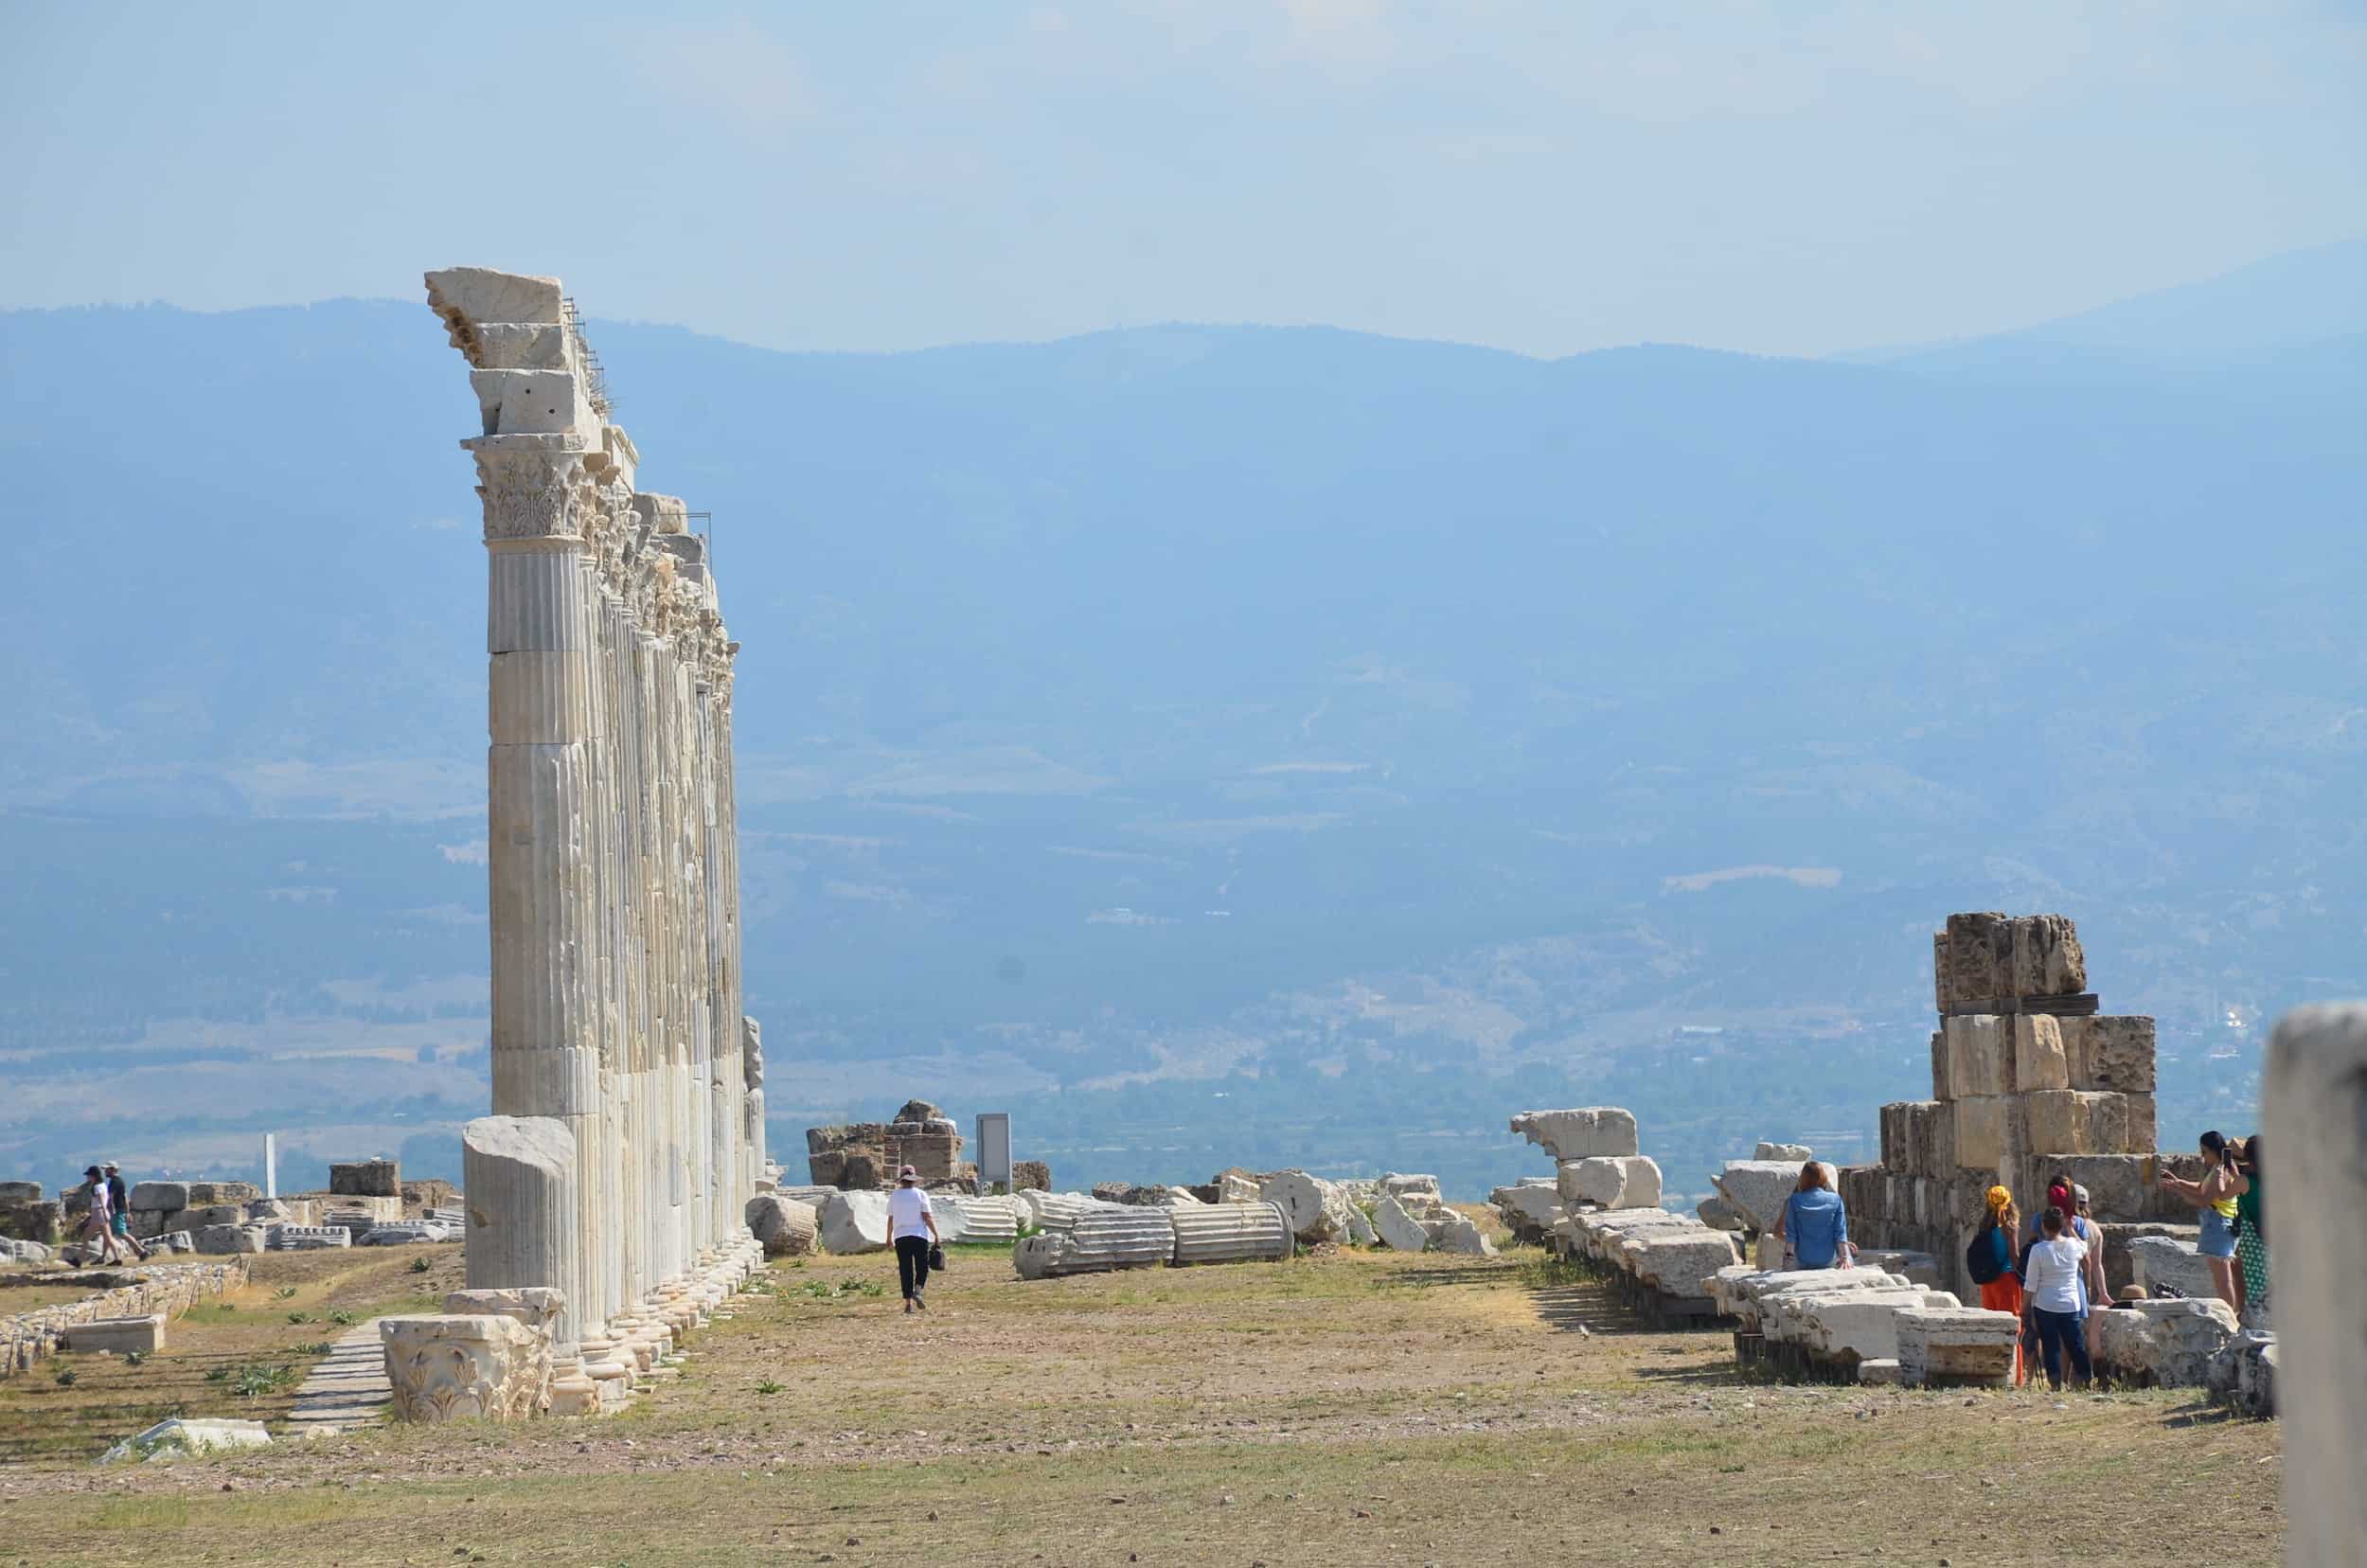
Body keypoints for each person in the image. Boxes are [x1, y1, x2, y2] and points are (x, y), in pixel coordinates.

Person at [2158, 1131, 2249, 1311]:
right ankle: (2233, 1314)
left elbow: (2205, 1199)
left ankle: (2230, 1316)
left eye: (2204, 1152)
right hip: (2221, 1226)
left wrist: (2177, 1190)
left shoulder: (2220, 1172)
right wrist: (2178, 1182)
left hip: (2218, 1226)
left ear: (2214, 1151)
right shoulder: (2221, 1168)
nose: (2202, 1157)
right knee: (2223, 1278)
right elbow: (2201, 1188)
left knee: (2223, 1280)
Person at [2022, 1207, 2093, 1390]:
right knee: (2075, 1344)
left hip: (2045, 1304)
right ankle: (2086, 1379)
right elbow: (2085, 1248)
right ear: (2061, 1225)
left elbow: (2031, 1284)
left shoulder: (2038, 1250)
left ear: (2044, 1226)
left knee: (2050, 1344)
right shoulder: (2073, 1245)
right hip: (2070, 1303)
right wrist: (2070, 1229)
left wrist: (2025, 1307)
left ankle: (2055, 1383)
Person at [1967, 1186, 2026, 1384]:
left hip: (1988, 1283)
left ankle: (1993, 1375)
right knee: (2013, 1328)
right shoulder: (2009, 1229)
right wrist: (2014, 1238)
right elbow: (2015, 1260)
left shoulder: (1985, 1230)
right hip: (2007, 1282)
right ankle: (2015, 1377)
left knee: (1992, 1326)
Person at [1773, 1162, 1850, 1270]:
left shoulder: (1794, 1200)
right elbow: (1840, 1232)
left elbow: (1791, 1234)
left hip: (1803, 1261)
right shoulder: (1836, 1199)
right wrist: (1845, 1258)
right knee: (1850, 1251)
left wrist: (1788, 1260)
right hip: (1829, 1260)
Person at [888, 1165, 940, 1313]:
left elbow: (891, 1218)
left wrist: (888, 1238)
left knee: (905, 1270)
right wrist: (936, 1234)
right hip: (919, 1235)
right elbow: (927, 1217)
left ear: (902, 1180)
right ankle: (918, 1290)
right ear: (913, 1179)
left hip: (900, 1236)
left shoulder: (895, 1195)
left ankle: (907, 1304)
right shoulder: (921, 1194)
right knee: (922, 1266)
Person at [2232, 1135, 2269, 1325]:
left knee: (2253, 1280)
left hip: (2251, 1239)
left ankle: (2255, 1319)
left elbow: (2221, 1194)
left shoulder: (2243, 1181)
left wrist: (2230, 1167)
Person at [74, 1165, 127, 1265]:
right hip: (102, 1213)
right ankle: (118, 1258)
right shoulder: (103, 1185)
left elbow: (102, 1201)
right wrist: (106, 1212)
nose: (88, 1177)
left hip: (98, 1213)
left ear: (93, 1176)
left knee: (85, 1237)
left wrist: (103, 1211)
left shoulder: (97, 1187)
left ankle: (79, 1260)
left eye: (89, 1175)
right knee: (108, 1237)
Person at [102, 1162, 150, 1262]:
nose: (105, 1171)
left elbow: (110, 1198)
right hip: (121, 1210)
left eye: (107, 1169)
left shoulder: (114, 1182)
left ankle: (142, 1252)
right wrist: (128, 1211)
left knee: (122, 1233)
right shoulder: (121, 1181)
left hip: (116, 1212)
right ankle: (103, 1257)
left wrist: (109, 1211)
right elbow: (125, 1196)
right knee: (108, 1234)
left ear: (113, 1169)